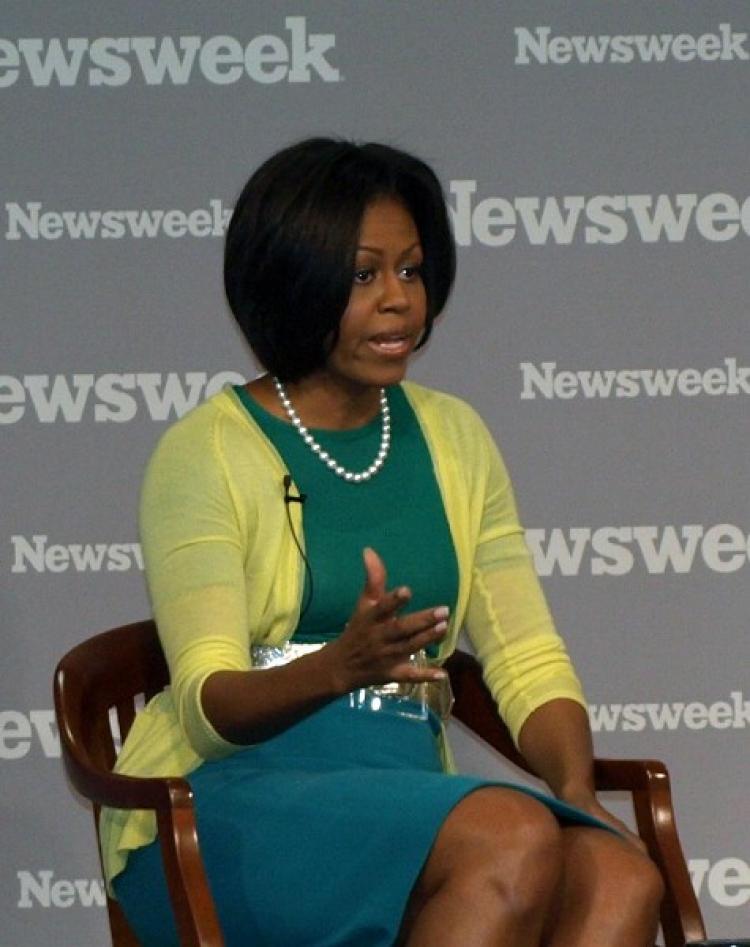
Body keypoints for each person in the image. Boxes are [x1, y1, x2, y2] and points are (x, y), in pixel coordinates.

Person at [100, 137, 663, 946]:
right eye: (365, 275)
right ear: (295, 279)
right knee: (506, 835)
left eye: (413, 270)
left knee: (618, 875)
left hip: (402, 790)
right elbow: (206, 703)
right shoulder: (208, 450)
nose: (400, 300)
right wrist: (337, 667)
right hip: (223, 802)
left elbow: (526, 653)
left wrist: (578, 793)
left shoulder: (454, 436)